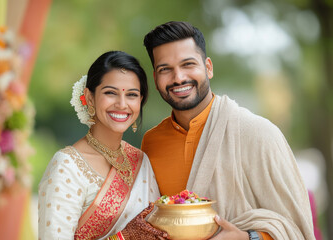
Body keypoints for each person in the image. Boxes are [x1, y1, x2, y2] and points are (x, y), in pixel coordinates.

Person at [141, 21, 315, 240]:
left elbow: (297, 228)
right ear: (155, 79)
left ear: (208, 67)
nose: (178, 78)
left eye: (188, 64)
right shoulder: (152, 142)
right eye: (165, 69)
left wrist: (248, 237)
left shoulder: (259, 134)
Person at [38, 51, 168, 240]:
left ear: (140, 101)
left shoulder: (141, 161)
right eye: (110, 93)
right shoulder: (67, 166)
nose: (122, 104)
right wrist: (124, 238)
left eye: (132, 95)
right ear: (90, 98)